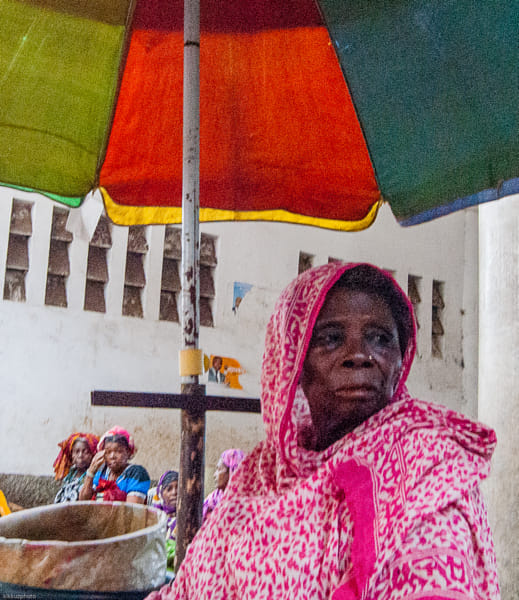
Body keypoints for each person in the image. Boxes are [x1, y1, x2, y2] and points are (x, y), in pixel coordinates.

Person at [147, 262, 500, 600]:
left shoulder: (426, 469)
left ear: (399, 361)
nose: (358, 355)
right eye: (331, 338)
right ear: (293, 363)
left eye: (380, 338)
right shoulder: (260, 475)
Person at [79, 426, 150, 503]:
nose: (112, 456)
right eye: (108, 452)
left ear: (128, 452)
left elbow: (131, 509)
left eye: (118, 451)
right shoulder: (101, 472)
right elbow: (83, 500)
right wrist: (91, 472)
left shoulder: (136, 474)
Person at [53, 432, 99, 503]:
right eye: (77, 452)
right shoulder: (70, 473)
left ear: (92, 455)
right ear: (72, 455)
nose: (80, 455)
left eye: (85, 452)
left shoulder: (95, 476)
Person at [202, 449, 245, 522]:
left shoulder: (244, 504)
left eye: (219, 469)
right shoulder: (214, 498)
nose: (214, 475)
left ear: (232, 472)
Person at [153, 470, 179, 568]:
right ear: (160, 494)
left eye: (178, 488)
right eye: (169, 489)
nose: (174, 493)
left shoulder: (189, 519)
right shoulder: (154, 518)